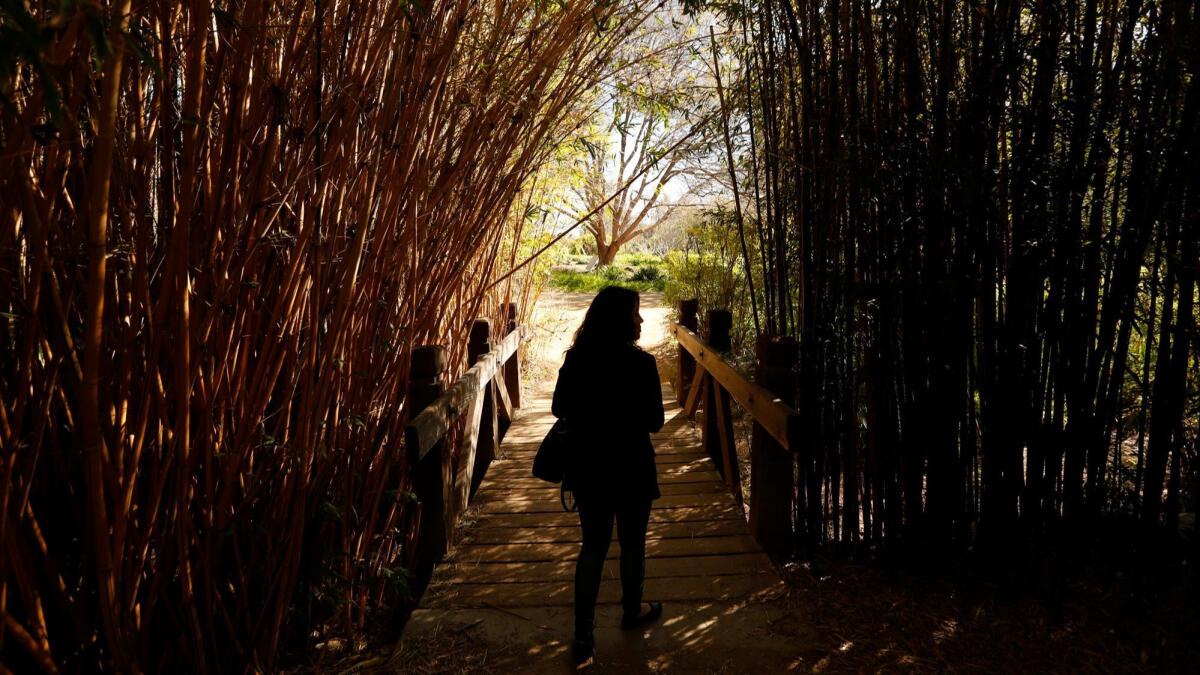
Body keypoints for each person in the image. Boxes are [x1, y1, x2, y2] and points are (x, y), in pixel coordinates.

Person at [551, 285, 666, 668]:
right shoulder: (643, 365)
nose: (641, 319)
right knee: (633, 543)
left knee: (593, 547)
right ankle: (631, 611)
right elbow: (655, 422)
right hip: (633, 466)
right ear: (620, 318)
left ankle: (584, 634)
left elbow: (557, 408)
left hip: (589, 468)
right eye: (635, 313)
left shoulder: (576, 359)